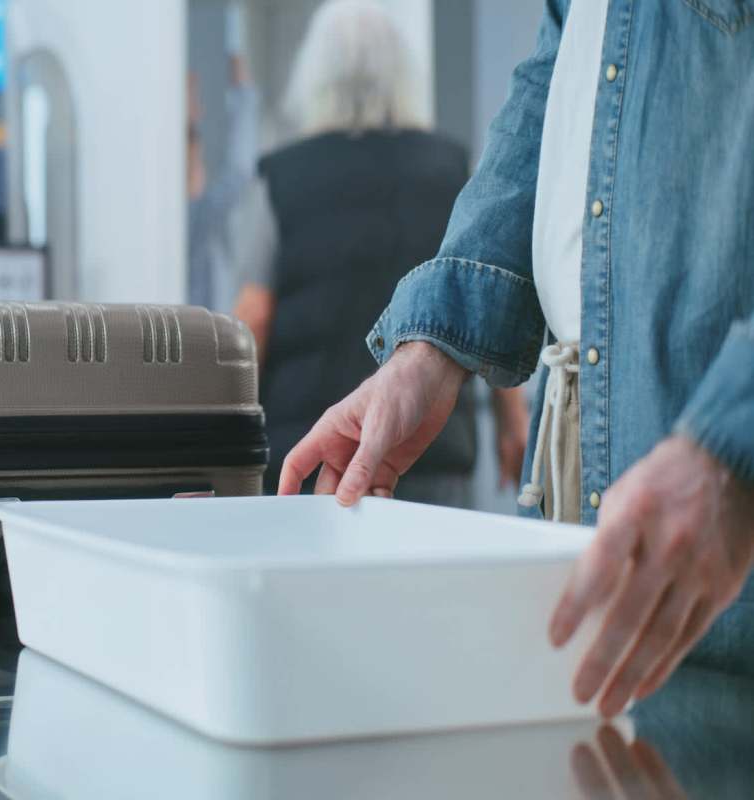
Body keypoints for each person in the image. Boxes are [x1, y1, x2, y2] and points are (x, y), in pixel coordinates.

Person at [279, 0, 754, 719]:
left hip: (711, 496)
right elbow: (554, 96)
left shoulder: (279, 177)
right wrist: (429, 349)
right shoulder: (437, 156)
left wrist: (732, 446)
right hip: (575, 471)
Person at [232, 0, 528, 501]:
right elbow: (483, 291)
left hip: (311, 453)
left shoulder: (280, 179)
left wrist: (231, 430)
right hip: (430, 447)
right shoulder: (453, 170)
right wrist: (512, 422)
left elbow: (254, 316)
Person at [187, 55, 258, 312]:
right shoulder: (198, 217)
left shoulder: (195, 221)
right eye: (194, 98)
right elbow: (239, 173)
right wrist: (244, 94)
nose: (202, 110)